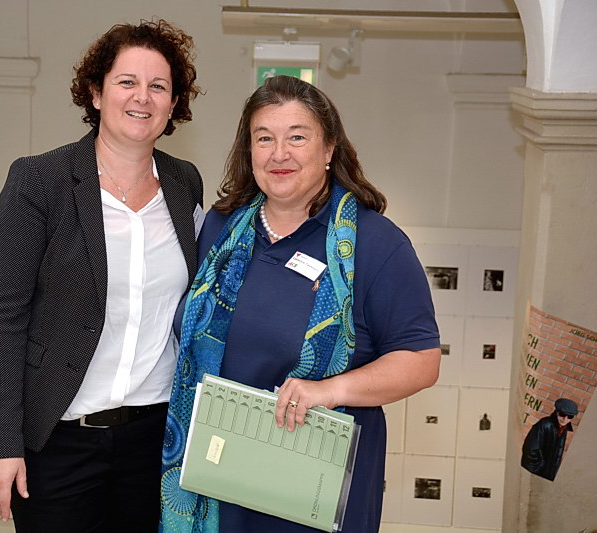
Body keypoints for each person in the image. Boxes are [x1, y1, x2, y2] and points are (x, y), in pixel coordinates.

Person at [160, 75, 441, 533]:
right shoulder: (220, 228)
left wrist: (329, 391)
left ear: (329, 148)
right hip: (217, 479)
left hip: (312, 487)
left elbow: (421, 361)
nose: (279, 154)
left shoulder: (376, 244)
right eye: (264, 138)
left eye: (297, 137)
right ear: (248, 150)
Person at [0, 19, 203, 532]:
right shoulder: (40, 181)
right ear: (96, 93)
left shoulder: (184, 183)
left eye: (158, 86)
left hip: (155, 437)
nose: (142, 97)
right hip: (59, 441)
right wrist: (1, 443)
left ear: (173, 104)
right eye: (127, 82)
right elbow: (2, 320)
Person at [521, 398, 578, 481]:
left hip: (548, 474)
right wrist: (540, 466)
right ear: (556, 412)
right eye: (562, 414)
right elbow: (531, 448)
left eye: (570, 416)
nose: (565, 419)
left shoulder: (564, 428)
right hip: (537, 472)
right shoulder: (544, 424)